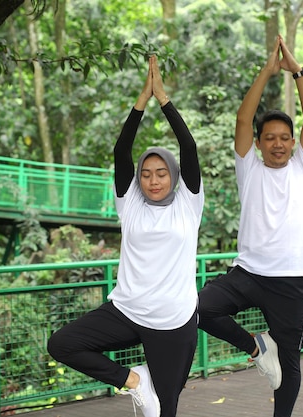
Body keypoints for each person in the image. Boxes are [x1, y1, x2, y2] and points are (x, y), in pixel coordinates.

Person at [47, 55, 204, 417]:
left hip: (173, 320)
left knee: (163, 411)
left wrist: (163, 100)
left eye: (161, 173)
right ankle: (135, 380)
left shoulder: (189, 203)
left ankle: (149, 388)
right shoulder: (129, 202)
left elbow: (190, 148)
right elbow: (121, 150)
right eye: (146, 174)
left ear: (174, 176)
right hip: (127, 310)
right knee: (63, 344)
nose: (153, 181)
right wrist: (140, 102)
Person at [197, 35, 303, 417]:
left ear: (294, 142)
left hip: (292, 278)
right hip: (247, 272)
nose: (278, 144)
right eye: (271, 138)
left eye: (285, 138)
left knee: (290, 363)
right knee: (197, 308)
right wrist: (268, 71)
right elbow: (242, 118)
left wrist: (297, 71)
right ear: (261, 143)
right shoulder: (248, 168)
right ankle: (255, 347)